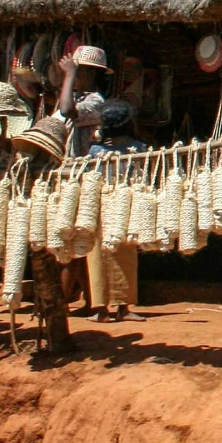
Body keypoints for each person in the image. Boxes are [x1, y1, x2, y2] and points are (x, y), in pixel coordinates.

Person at [85, 100, 147, 322]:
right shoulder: (138, 149)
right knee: (125, 255)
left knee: (99, 255)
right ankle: (123, 307)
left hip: (102, 203)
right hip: (125, 204)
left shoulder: (95, 151)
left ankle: (102, 309)